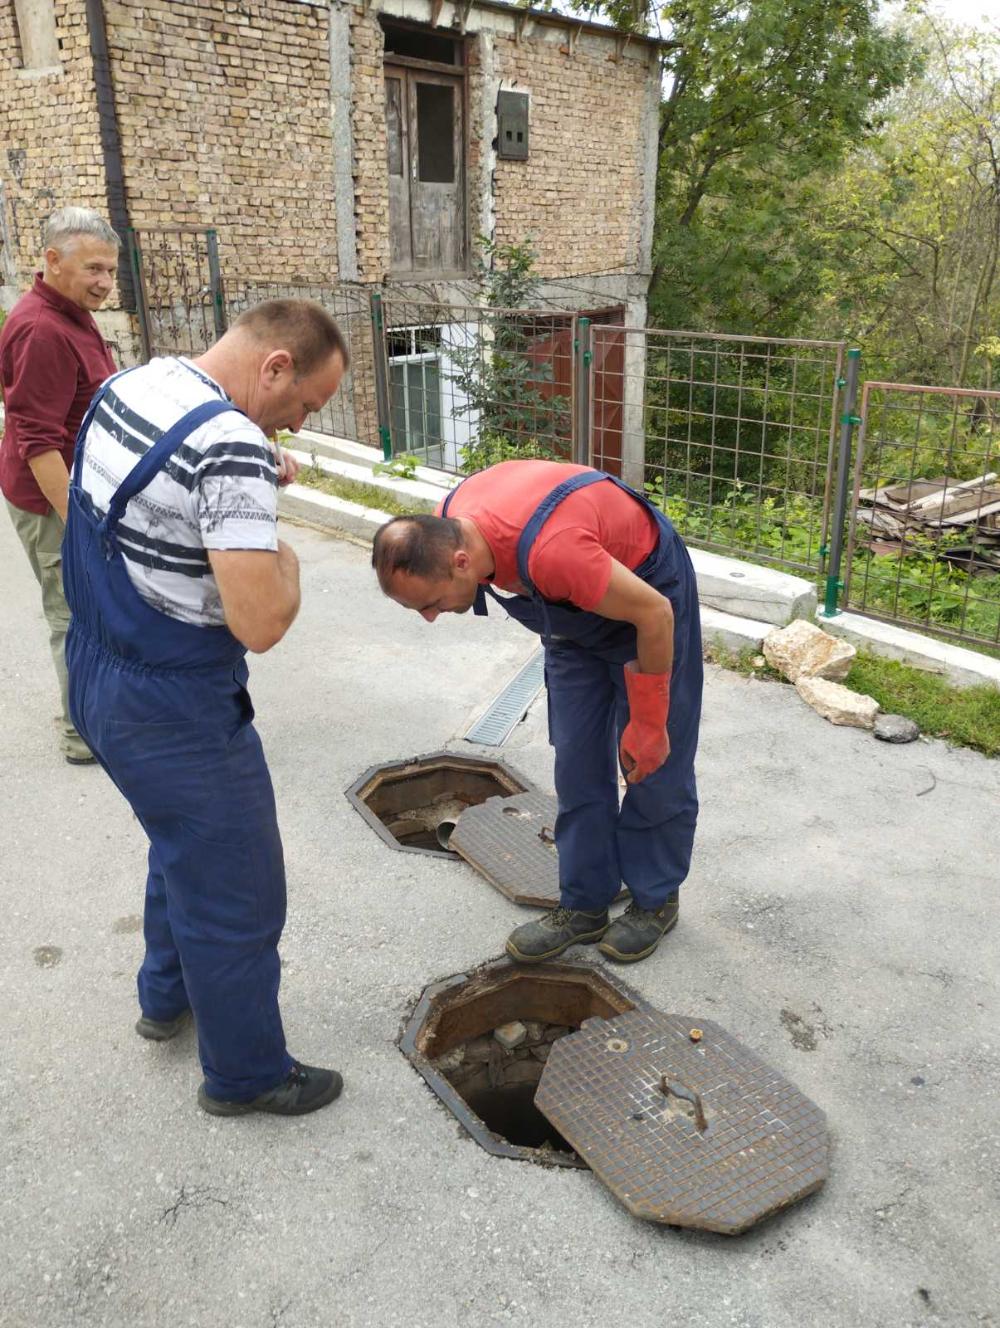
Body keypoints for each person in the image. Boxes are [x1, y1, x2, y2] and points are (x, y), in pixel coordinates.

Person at [63, 299, 348, 1117]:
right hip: (173, 706)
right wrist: (279, 543)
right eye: (304, 406)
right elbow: (261, 622)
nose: (294, 426)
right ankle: (246, 1073)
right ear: (276, 369)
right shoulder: (229, 448)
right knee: (240, 891)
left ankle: (166, 998)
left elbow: (175, 492)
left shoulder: (138, 384)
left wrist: (248, 470)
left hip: (96, 672)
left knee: (180, 843)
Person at [372, 459, 702, 965]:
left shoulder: (553, 551)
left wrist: (650, 721)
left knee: (651, 763)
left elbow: (653, 613)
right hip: (571, 618)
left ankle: (655, 901)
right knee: (576, 762)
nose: (431, 618)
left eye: (433, 603)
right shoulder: (444, 527)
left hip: (646, 598)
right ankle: (585, 905)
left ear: (461, 562)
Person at [0, 207, 120, 763]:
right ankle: (81, 736)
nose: (104, 281)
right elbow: (38, 441)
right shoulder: (42, 329)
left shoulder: (71, 311)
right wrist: (79, 524)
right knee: (71, 615)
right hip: (52, 503)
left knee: (88, 611)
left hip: (74, 494)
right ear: (52, 260)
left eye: (111, 271)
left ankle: (91, 713)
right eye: (94, 268)